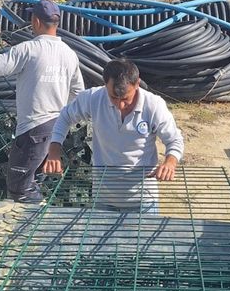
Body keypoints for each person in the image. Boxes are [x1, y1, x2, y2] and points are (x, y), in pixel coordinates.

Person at [0, 0, 84, 203]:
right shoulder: (69, 55)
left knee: (20, 189)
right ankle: (37, 218)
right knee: (34, 182)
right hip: (56, 130)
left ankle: (38, 226)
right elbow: (78, 92)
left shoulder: (28, 49)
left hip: (33, 131)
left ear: (35, 21)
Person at [43, 58, 184, 214]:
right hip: (103, 198)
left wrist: (170, 162)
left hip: (142, 199)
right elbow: (65, 116)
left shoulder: (153, 105)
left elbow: (174, 140)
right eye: (113, 98)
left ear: (137, 84)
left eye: (125, 99)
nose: (120, 105)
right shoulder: (94, 98)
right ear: (105, 85)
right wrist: (54, 149)